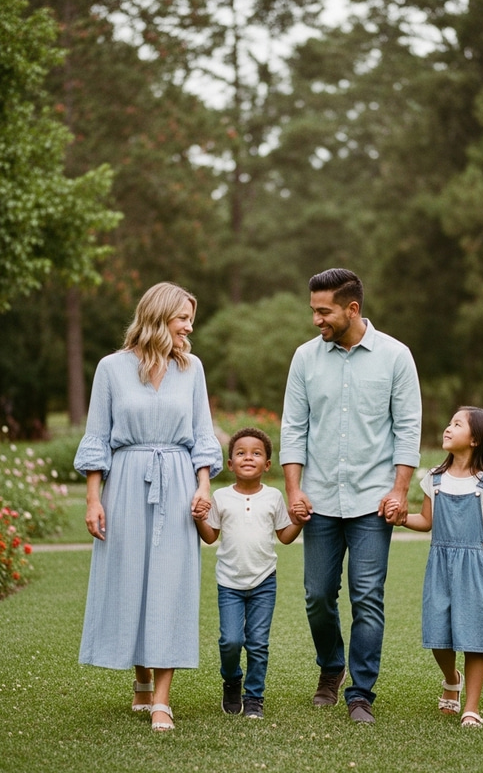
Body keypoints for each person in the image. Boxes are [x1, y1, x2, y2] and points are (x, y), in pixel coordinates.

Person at [74, 281, 223, 732]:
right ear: (158, 316)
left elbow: (202, 433)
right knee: (128, 578)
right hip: (125, 482)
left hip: (178, 481)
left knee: (170, 585)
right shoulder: (111, 369)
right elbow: (98, 436)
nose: (189, 326)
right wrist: (93, 499)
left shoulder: (191, 367)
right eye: (183, 317)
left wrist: (204, 487)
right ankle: (139, 678)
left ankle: (161, 700)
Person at [279, 268, 422, 724]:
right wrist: (294, 490)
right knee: (317, 595)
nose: (317, 319)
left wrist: (400, 491)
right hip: (318, 499)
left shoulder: (396, 357)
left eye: (324, 311)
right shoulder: (304, 358)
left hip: (373, 501)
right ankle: (331, 667)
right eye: (313, 310)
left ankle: (360, 692)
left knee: (367, 596)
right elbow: (293, 428)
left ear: (352, 309)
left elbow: (407, 429)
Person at [394, 406, 483, 728]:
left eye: (457, 425)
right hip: (440, 564)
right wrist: (401, 518)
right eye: (449, 423)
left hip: (476, 566)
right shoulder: (433, 478)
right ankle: (451, 678)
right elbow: (426, 521)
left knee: (474, 638)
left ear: (476, 440)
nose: (448, 428)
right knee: (438, 635)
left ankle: (471, 708)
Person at [195, 427, 302, 720]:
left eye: (256, 454)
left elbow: (285, 536)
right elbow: (209, 536)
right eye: (240, 453)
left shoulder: (274, 497)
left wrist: (300, 522)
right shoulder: (221, 497)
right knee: (230, 641)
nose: (248, 458)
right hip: (229, 582)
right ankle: (232, 680)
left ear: (267, 464)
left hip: (264, 581)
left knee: (258, 642)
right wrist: (198, 520)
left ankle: (254, 697)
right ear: (230, 464)